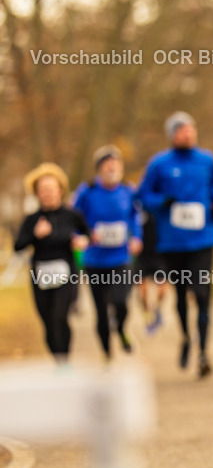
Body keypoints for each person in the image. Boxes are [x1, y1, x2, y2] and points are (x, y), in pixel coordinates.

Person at [136, 112, 213, 379]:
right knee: (182, 295)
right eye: (183, 130)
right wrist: (162, 201)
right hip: (173, 243)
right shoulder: (159, 164)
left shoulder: (207, 160)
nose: (188, 133)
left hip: (203, 239)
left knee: (203, 293)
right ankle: (186, 337)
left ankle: (203, 352)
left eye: (192, 129)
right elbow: (143, 196)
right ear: (172, 134)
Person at [14, 163, 89, 365]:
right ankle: (58, 360)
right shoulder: (32, 219)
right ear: (37, 193)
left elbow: (87, 234)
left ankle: (64, 361)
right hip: (41, 275)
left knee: (59, 317)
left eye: (50, 189)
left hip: (66, 273)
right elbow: (18, 246)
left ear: (60, 190)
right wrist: (34, 235)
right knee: (48, 322)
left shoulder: (72, 216)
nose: (47, 194)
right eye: (42, 190)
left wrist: (82, 241)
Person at [72, 146, 142, 360]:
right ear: (99, 169)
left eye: (116, 164)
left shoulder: (128, 191)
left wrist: (136, 237)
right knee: (101, 311)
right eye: (107, 164)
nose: (112, 168)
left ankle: (121, 329)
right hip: (95, 260)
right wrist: (79, 236)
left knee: (121, 302)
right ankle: (106, 352)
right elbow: (73, 216)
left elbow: (135, 217)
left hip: (121, 259)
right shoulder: (87, 191)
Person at [136, 208, 170, 335]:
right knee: (142, 291)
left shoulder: (159, 204)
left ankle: (157, 310)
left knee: (162, 289)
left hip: (158, 254)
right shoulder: (136, 207)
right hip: (142, 255)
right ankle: (147, 318)